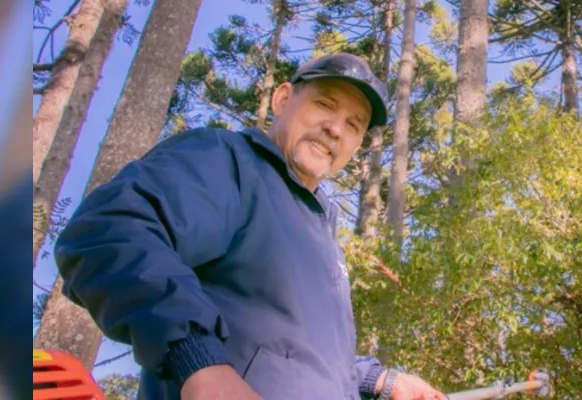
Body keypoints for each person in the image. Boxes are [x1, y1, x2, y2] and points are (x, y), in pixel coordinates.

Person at [53, 53, 446, 400]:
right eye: (325, 104)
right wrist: (199, 363)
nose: (335, 129)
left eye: (354, 125)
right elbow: (111, 229)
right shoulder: (229, 162)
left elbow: (297, 355)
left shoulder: (323, 233)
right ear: (282, 99)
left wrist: (380, 380)